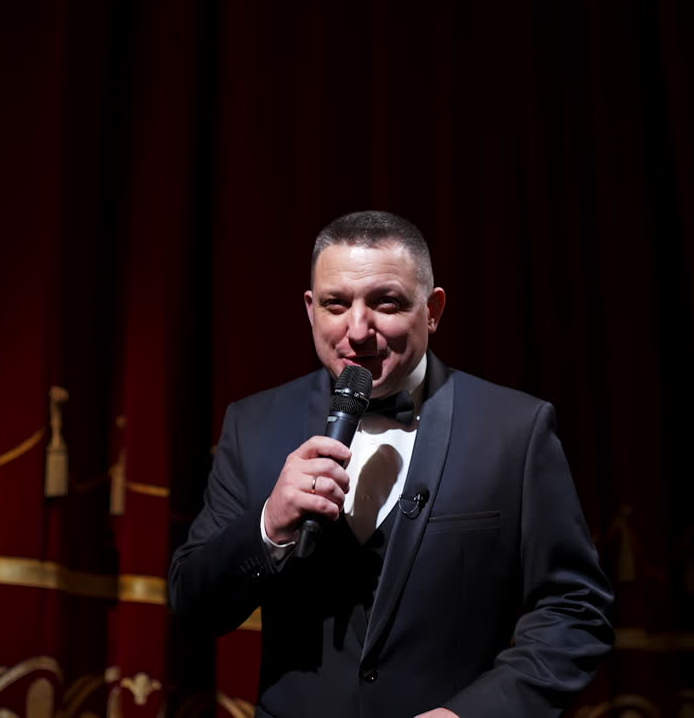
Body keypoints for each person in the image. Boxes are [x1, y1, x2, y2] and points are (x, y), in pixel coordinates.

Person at [168, 211, 613, 717]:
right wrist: (269, 525)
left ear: (432, 310)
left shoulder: (516, 430)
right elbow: (194, 605)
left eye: (386, 303)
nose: (358, 330)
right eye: (337, 304)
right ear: (311, 310)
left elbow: (574, 610)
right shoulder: (253, 424)